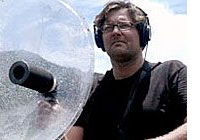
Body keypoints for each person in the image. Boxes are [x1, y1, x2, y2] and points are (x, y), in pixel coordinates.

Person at [63, 0, 187, 140]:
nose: (116, 32)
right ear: (100, 39)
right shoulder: (90, 89)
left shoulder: (171, 73)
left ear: (142, 33)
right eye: (108, 28)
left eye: (124, 25)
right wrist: (53, 125)